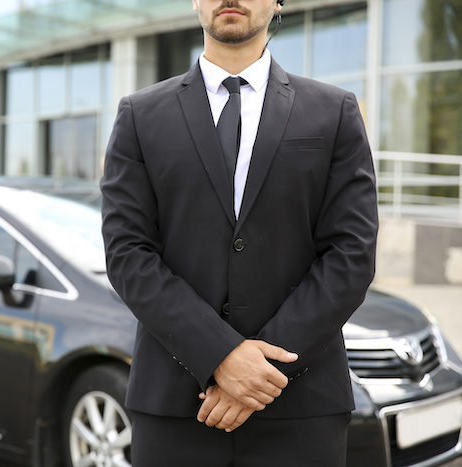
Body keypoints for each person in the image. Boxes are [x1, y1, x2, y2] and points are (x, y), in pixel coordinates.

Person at [99, 0, 379, 465]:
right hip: (176, 404)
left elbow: (351, 253)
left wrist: (260, 372)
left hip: (301, 406)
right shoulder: (139, 116)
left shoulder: (334, 111)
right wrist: (219, 356)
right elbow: (128, 253)